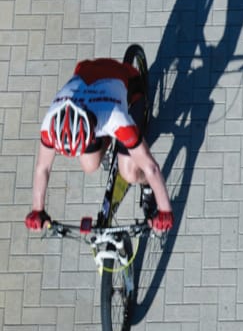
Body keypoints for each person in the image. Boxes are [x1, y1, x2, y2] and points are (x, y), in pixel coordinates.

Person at [25, 57, 173, 232]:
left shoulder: (116, 118)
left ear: (90, 128)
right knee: (89, 165)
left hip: (128, 83)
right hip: (88, 74)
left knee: (130, 173)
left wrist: (165, 210)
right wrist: (37, 209)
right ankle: (111, 144)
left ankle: (146, 186)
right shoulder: (51, 122)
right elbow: (43, 167)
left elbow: (151, 167)